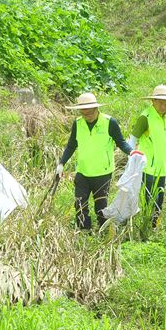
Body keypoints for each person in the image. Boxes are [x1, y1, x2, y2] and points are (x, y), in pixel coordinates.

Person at [55, 92, 132, 231]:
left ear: (97, 109)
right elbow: (71, 145)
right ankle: (85, 232)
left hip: (103, 173)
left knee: (101, 206)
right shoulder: (78, 124)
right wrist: (61, 163)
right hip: (83, 172)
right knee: (80, 204)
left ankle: (103, 231)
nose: (87, 117)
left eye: (90, 113)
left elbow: (121, 142)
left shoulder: (109, 123)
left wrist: (132, 152)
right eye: (84, 114)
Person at [132, 85, 166, 227]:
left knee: (160, 197)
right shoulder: (145, 117)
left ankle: (155, 225)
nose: (163, 105)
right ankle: (146, 226)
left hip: (163, 166)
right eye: (160, 102)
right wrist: (132, 155)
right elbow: (133, 139)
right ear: (153, 100)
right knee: (149, 198)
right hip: (148, 167)